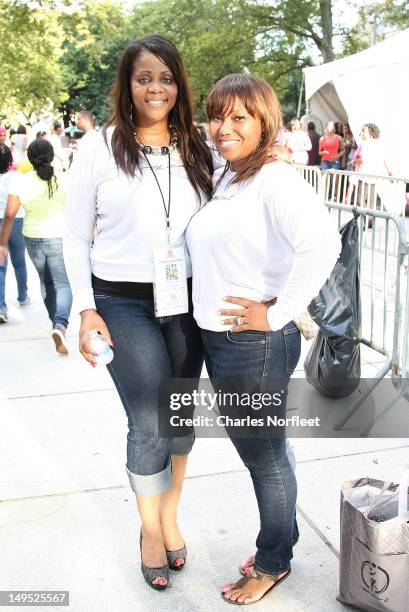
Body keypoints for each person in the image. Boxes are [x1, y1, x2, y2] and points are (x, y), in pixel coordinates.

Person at [63, 34, 214, 591]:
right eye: (144, 77)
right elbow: (75, 235)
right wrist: (84, 309)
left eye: (167, 77)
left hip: (188, 304)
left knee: (178, 418)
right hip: (122, 302)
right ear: (127, 84)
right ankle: (151, 530)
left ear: (180, 85)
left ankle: (170, 515)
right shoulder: (100, 146)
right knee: (149, 418)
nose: (157, 88)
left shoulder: (199, 146)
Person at [185, 73, 341, 605]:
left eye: (239, 117)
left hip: (251, 343)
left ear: (263, 123)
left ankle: (273, 560)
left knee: (264, 455)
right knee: (270, 448)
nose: (223, 127)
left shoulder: (274, 179)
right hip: (222, 337)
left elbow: (323, 245)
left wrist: (277, 315)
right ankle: (285, 538)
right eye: (217, 115)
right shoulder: (231, 176)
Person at [0, 139, 72, 353]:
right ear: (51, 156)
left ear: (29, 159)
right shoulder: (63, 178)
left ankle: (55, 324)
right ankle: (60, 324)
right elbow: (77, 210)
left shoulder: (21, 181)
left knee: (46, 282)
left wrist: (2, 244)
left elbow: (10, 214)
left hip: (32, 238)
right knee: (63, 283)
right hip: (59, 236)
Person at [0, 144, 29, 322]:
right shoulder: (16, 178)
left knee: (0, 266)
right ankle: (22, 295)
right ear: (10, 161)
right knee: (19, 261)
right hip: (17, 220)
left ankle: (1, 307)